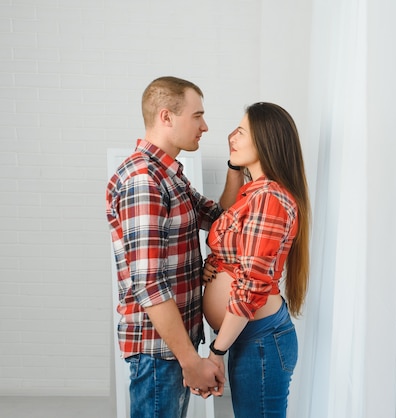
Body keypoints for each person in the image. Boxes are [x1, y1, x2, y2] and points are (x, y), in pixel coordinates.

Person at [105, 76, 244, 418]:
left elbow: (218, 217)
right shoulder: (144, 180)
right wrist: (191, 362)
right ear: (166, 116)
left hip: (173, 347)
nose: (205, 125)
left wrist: (234, 167)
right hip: (159, 352)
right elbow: (149, 284)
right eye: (197, 116)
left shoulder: (170, 176)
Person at [200, 102, 311, 417]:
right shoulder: (255, 193)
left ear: (265, 140)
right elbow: (228, 218)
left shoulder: (270, 200)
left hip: (259, 339)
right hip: (250, 336)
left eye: (241, 131)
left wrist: (217, 351)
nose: (231, 136)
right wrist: (219, 263)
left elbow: (250, 284)